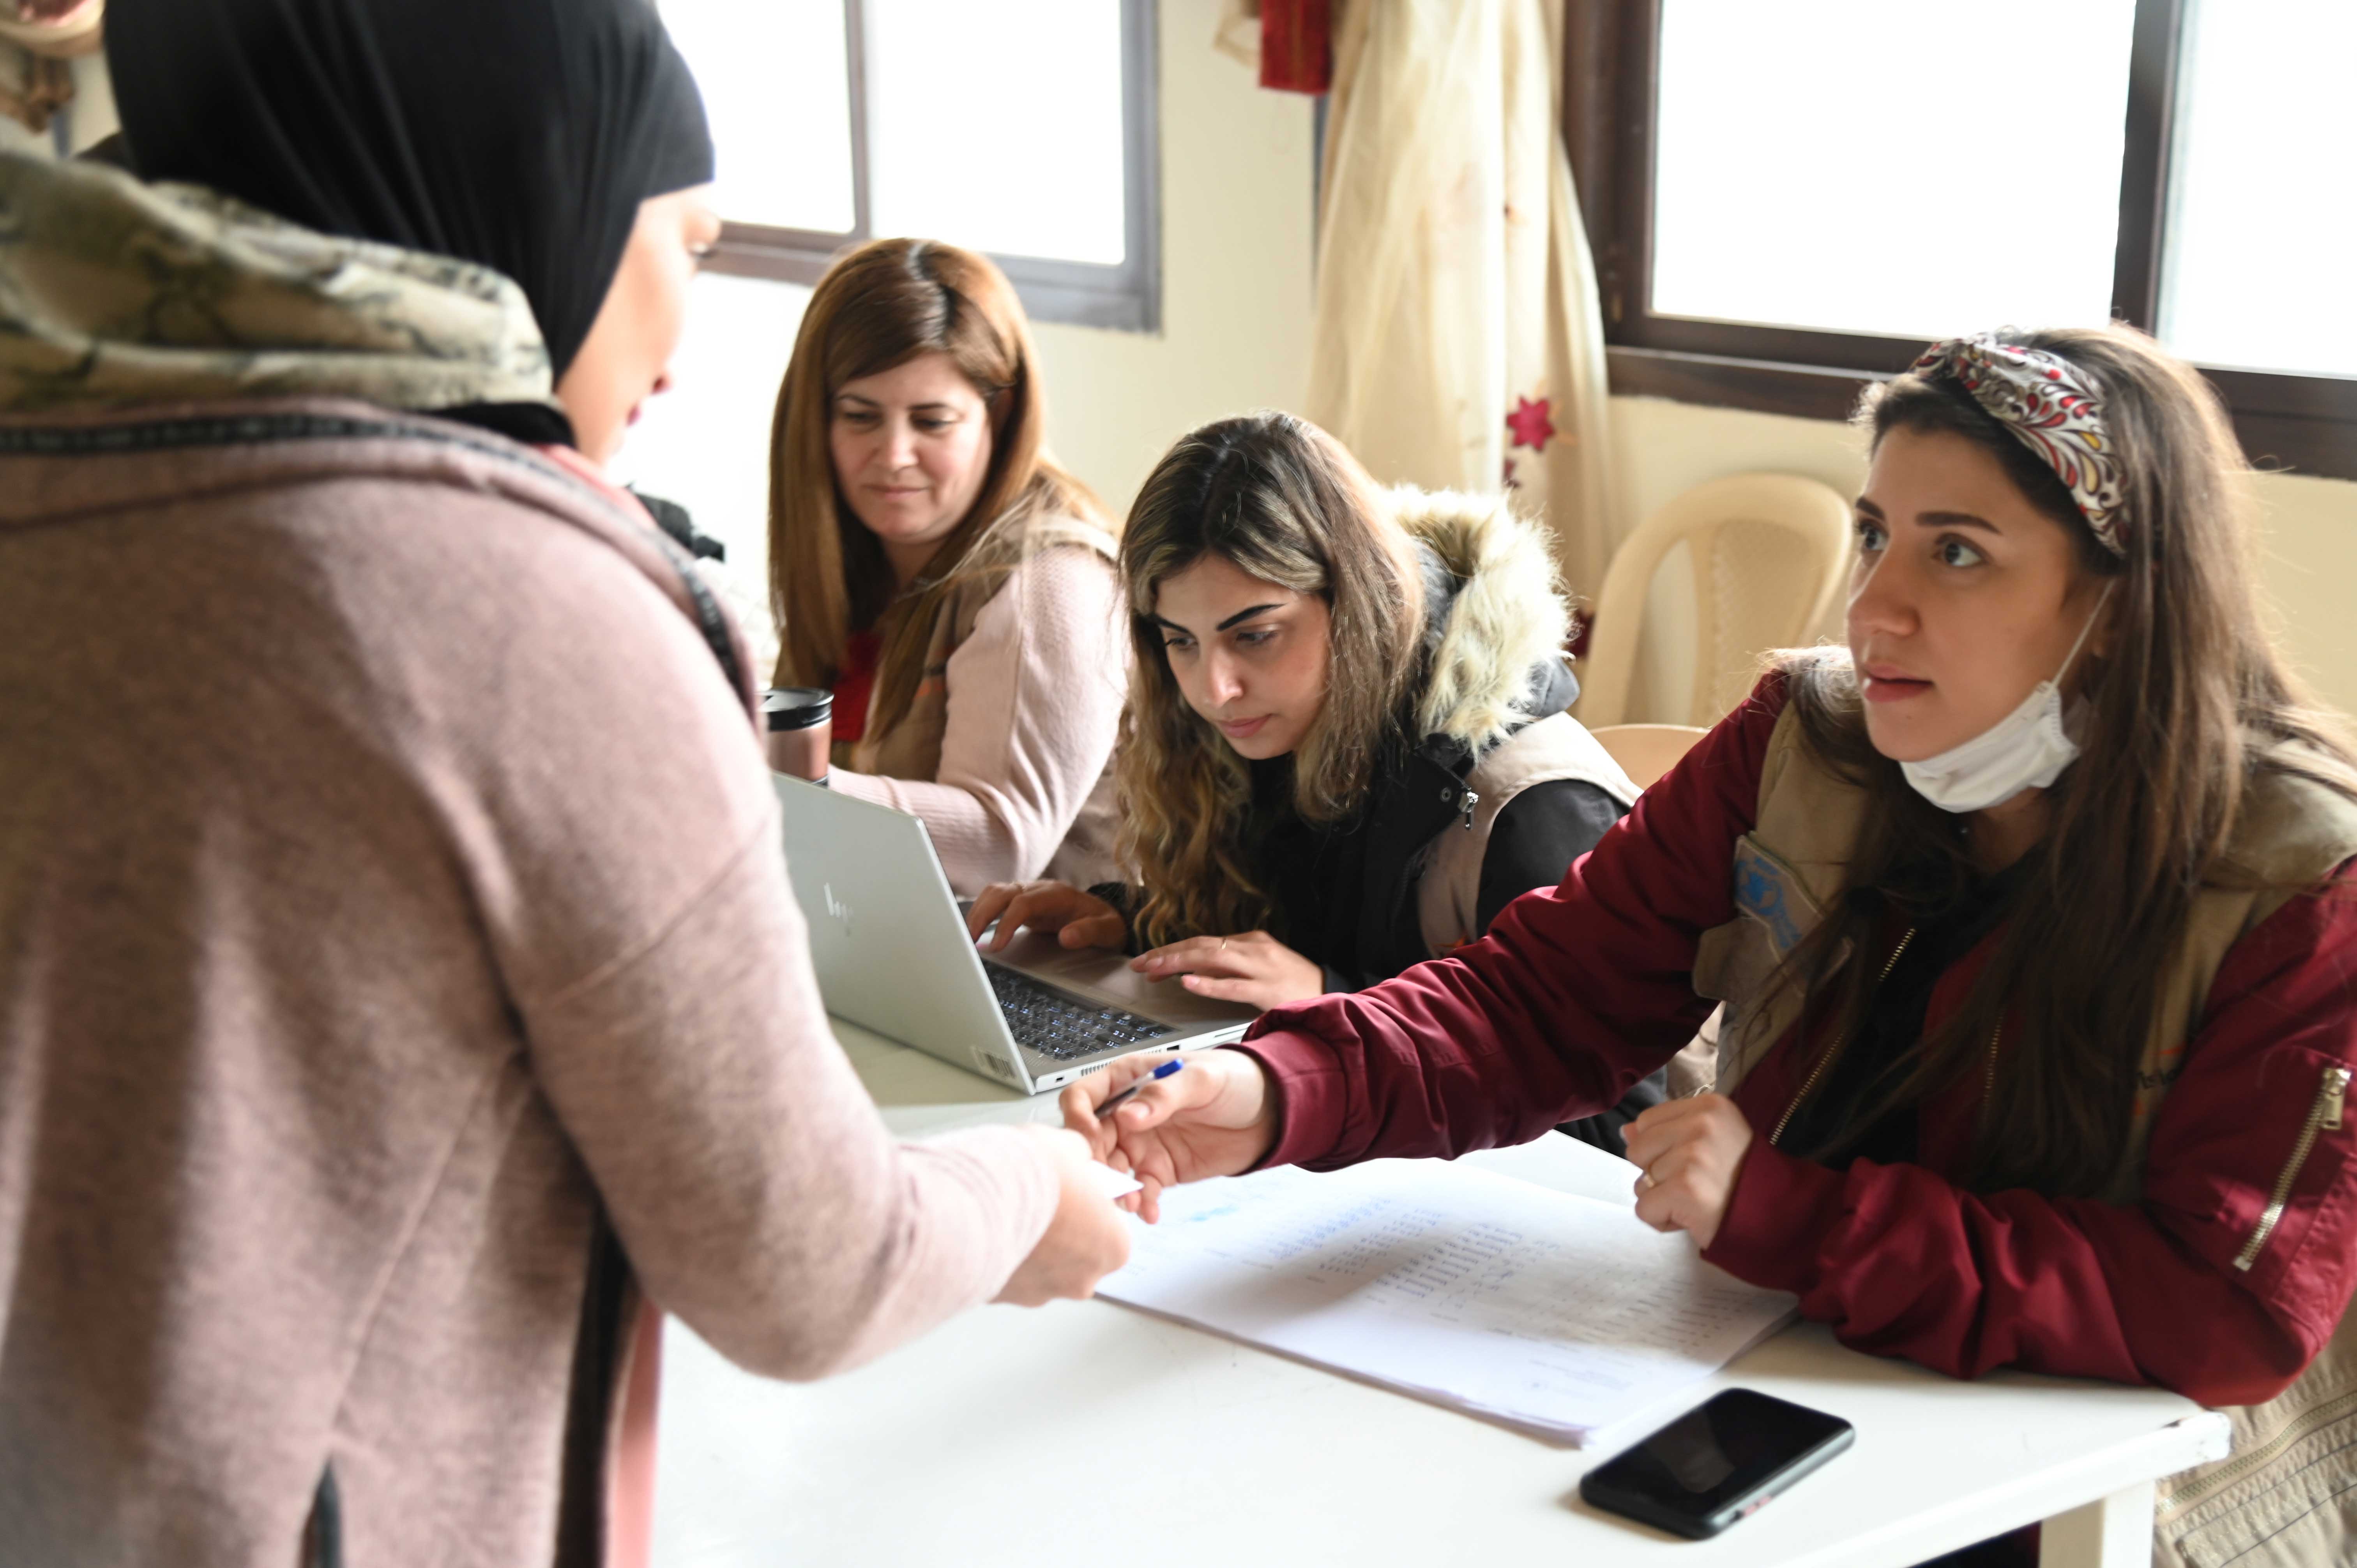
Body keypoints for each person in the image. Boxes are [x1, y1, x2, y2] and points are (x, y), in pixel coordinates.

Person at [0, 3, 1127, 1564]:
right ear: (538, 185)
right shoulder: (531, 594)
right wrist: (1030, 1188)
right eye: (685, 234)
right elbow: (805, 1260)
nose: (682, 325)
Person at [1069, 330, 2357, 1565]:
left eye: (1954, 553)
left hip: (2106, 1502)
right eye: (1871, 535)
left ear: (2122, 606)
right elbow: (1537, 1000)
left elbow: (2222, 1311)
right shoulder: (1798, 739)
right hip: (1794, 1397)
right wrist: (1275, 1088)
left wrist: (1791, 1216)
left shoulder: (2302, 880)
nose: (1874, 607)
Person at [973, 411, 1682, 1151]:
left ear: (1357, 600)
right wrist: (1132, 923)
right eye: (1179, 641)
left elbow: (1613, 1131)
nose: (1214, 690)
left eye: (1255, 634)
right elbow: (1299, 932)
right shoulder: (1270, 723)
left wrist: (1333, 1009)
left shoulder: (1533, 806)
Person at [766, 237, 1125, 893]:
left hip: (1060, 983)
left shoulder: (1053, 580)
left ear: (1000, 414)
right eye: (859, 417)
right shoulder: (853, 555)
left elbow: (998, 847)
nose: (894, 454)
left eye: (932, 422)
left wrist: (778, 773)